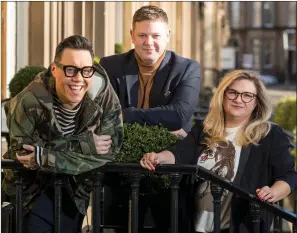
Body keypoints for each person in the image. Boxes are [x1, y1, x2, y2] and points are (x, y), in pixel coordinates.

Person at [140, 70, 297, 233]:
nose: (238, 99)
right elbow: (178, 153)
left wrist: (273, 192)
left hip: (240, 226)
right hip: (195, 225)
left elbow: (288, 176)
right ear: (222, 95)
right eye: (233, 93)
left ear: (257, 102)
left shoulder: (269, 134)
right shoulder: (205, 129)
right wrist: (157, 157)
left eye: (247, 95)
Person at [2, 35, 124, 233]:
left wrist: (45, 156)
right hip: (29, 193)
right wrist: (85, 145)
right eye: (70, 69)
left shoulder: (102, 92)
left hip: (75, 193)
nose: (78, 78)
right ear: (54, 69)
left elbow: (111, 148)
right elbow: (23, 154)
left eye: (86, 70)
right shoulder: (30, 99)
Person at [99, 5, 200, 233]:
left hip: (169, 171)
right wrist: (160, 122)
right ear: (132, 36)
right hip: (121, 169)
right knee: (117, 227)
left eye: (155, 35)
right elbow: (103, 114)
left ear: (167, 36)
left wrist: (125, 114)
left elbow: (179, 116)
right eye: (142, 35)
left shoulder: (187, 68)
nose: (149, 42)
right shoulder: (110, 66)